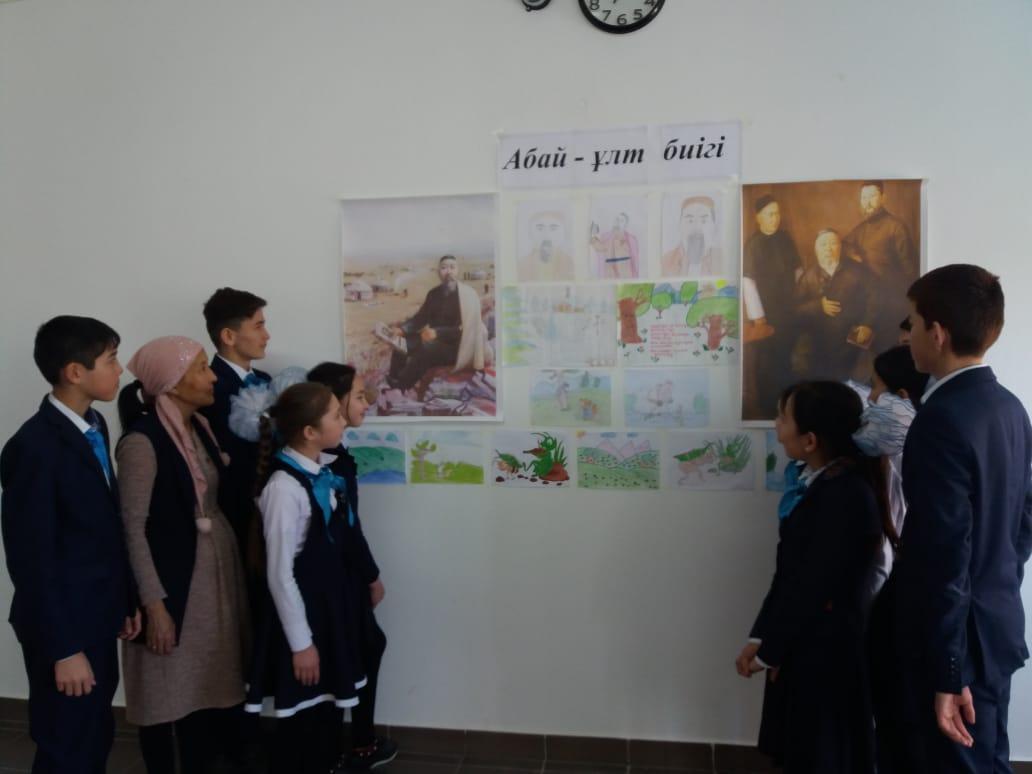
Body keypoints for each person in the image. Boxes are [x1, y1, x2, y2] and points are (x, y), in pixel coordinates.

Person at [894, 264, 1032, 773]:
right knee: (990, 759)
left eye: (912, 323)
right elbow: (1024, 518)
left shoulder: (941, 420)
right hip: (995, 625)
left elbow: (944, 554)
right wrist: (998, 573)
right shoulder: (1009, 407)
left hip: (959, 645)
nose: (907, 336)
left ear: (938, 332)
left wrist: (948, 670)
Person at [0, 316, 139, 774]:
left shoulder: (93, 425)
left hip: (95, 612)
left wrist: (124, 601)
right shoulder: (34, 447)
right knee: (66, 745)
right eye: (111, 360)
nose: (120, 370)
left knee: (93, 735)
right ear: (75, 372)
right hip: (62, 626)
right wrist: (63, 649)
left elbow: (102, 528)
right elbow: (31, 558)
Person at [735, 381, 888, 773]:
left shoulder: (844, 495)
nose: (776, 426)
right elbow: (789, 573)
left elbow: (812, 586)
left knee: (820, 755)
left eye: (782, 417)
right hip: (807, 643)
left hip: (825, 651)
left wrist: (773, 649)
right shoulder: (820, 484)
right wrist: (762, 638)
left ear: (810, 440)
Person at [115, 336, 252, 774]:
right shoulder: (142, 442)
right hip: (173, 584)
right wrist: (154, 606)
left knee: (209, 687)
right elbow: (132, 529)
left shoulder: (199, 428)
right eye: (201, 369)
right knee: (169, 692)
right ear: (172, 383)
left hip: (211, 576)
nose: (212, 377)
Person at [245, 383, 368, 774]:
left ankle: (327, 762)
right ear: (310, 432)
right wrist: (302, 643)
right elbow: (280, 574)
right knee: (302, 721)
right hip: (303, 619)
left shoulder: (322, 471)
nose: (343, 420)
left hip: (326, 611)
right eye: (335, 415)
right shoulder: (284, 489)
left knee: (327, 710)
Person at [307, 363, 398, 771]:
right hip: (333, 581)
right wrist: (371, 575)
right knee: (349, 654)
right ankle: (349, 748)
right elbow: (345, 530)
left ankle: (358, 742)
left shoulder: (335, 456)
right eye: (358, 396)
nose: (366, 403)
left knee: (365, 646)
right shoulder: (320, 464)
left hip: (344, 576)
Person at [200, 287, 272, 548]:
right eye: (258, 326)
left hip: (271, 505)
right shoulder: (209, 389)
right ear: (229, 336)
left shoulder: (266, 380)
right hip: (235, 511)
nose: (267, 335)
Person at [387, 255, 490, 391]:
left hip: (458, 347)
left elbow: (467, 329)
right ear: (438, 272)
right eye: (444, 268)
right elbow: (420, 318)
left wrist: (438, 333)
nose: (448, 272)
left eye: (452, 267)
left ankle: (401, 386)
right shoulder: (433, 294)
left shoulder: (468, 296)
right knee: (400, 343)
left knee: (426, 349)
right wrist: (403, 329)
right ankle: (393, 379)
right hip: (433, 340)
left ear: (457, 270)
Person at [742, 194, 801, 418]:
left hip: (788, 309)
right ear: (758, 217)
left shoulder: (785, 238)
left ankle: (786, 405)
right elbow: (748, 283)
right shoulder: (753, 244)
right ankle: (768, 407)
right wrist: (758, 316)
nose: (775, 218)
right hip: (765, 313)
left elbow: (798, 271)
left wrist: (800, 297)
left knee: (786, 357)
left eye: (777, 214)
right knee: (767, 361)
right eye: (770, 214)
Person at [843, 181, 918, 351]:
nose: (867, 202)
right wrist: (853, 255)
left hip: (891, 304)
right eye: (864, 198)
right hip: (867, 301)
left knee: (888, 351)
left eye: (872, 196)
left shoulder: (896, 226)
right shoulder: (860, 229)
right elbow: (844, 246)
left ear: (883, 198)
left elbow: (911, 271)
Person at [793, 229, 875, 382]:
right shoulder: (807, 277)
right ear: (816, 249)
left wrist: (867, 324)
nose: (828, 249)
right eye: (823, 245)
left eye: (833, 243)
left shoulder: (858, 271)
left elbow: (876, 298)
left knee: (853, 381)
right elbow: (795, 310)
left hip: (853, 341)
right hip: (820, 344)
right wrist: (818, 306)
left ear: (840, 247)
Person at [660, 196, 723, 276]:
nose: (697, 227)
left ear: (714, 227)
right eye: (690, 221)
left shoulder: (722, 259)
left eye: (704, 221)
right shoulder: (666, 262)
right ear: (679, 225)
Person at [518, 210, 575, 281]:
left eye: (553, 229)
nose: (546, 234)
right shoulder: (522, 264)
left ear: (565, 233)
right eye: (540, 229)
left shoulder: (571, 264)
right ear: (530, 233)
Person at [590, 212, 639, 278]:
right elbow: (599, 248)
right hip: (610, 272)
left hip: (625, 273)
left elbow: (635, 260)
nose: (618, 222)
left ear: (626, 224)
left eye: (621, 221)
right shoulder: (606, 236)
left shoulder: (631, 239)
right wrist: (593, 235)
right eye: (617, 219)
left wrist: (635, 277)